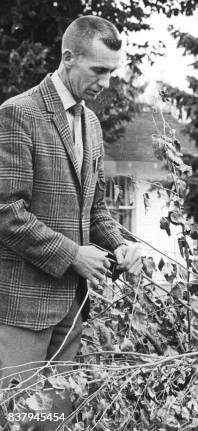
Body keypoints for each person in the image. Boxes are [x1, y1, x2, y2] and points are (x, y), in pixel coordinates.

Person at [0, 14, 141, 425]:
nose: (106, 83)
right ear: (68, 57)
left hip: (72, 308)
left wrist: (120, 245)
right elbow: (7, 211)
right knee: (15, 420)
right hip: (22, 308)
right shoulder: (18, 114)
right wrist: (73, 255)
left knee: (51, 422)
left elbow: (95, 208)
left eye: (113, 73)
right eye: (99, 70)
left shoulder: (91, 124)